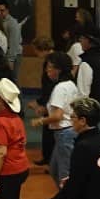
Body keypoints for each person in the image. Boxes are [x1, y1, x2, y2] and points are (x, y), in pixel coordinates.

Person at [46, 97, 100, 199]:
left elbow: (74, 185)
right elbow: (97, 170)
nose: (71, 120)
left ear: (82, 120)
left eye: (72, 117)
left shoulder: (83, 146)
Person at [37, 52, 82, 182]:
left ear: (59, 69)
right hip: (67, 132)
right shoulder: (70, 85)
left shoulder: (60, 88)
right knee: (55, 169)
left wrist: (40, 121)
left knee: (64, 173)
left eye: (50, 67)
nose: (47, 70)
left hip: (64, 133)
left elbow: (57, 115)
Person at [0, 0, 23, 69]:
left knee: (11, 79)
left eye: (2, 10)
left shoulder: (12, 23)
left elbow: (14, 42)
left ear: (7, 10)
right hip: (3, 55)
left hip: (13, 55)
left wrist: (11, 60)